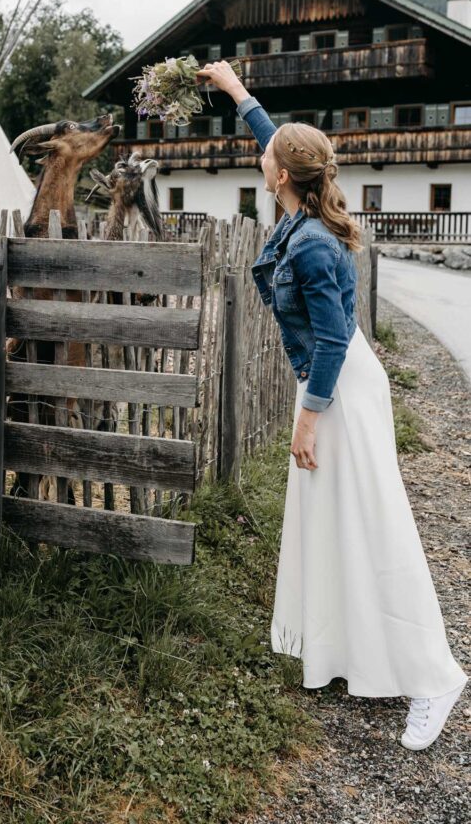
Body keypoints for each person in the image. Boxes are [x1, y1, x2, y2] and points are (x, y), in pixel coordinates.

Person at [195, 61, 468, 751]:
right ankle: (347, 650)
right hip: (332, 384)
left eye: (269, 157)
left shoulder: (313, 243)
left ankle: (434, 676)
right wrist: (236, 91)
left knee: (375, 523)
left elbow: (329, 342)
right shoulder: (301, 209)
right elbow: (276, 139)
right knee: (335, 521)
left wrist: (308, 420)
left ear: (283, 176)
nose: (261, 157)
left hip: (338, 387)